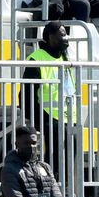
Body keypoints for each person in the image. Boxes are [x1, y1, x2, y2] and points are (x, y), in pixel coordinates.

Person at [21, 21, 76, 183]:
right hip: (46, 117)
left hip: (67, 116)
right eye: (63, 34)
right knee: (55, 151)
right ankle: (51, 184)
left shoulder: (65, 58)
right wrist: (36, 121)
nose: (66, 38)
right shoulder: (36, 59)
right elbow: (26, 94)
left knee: (73, 147)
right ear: (51, 37)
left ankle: (65, 185)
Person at [1, 126, 70, 197]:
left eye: (33, 143)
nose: (31, 146)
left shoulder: (45, 167)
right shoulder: (9, 170)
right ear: (17, 144)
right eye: (26, 143)